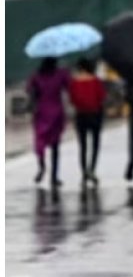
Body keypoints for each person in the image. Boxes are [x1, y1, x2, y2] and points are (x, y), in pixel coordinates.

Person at [26, 57, 71, 186]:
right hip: (56, 112)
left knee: (40, 142)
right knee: (55, 146)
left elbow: (30, 91)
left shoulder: (36, 76)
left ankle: (41, 167)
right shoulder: (60, 74)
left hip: (41, 112)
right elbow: (69, 86)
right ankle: (54, 176)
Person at [68, 57, 107, 186]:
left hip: (81, 115)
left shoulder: (75, 82)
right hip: (95, 115)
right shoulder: (96, 81)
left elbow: (72, 99)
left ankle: (84, 171)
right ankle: (92, 169)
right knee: (95, 143)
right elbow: (101, 97)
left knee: (83, 145)